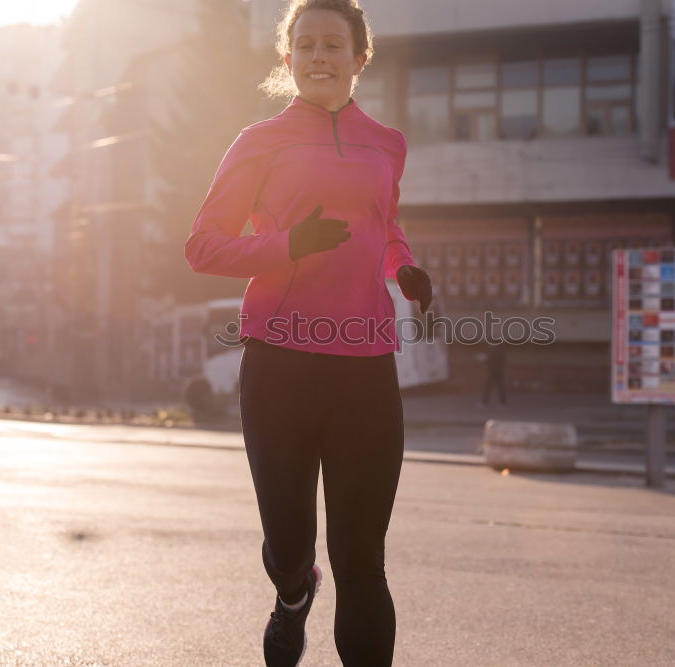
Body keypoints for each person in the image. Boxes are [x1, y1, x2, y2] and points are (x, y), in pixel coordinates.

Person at [184, 1, 431, 665]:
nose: (320, 56)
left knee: (363, 561)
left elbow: (384, 228)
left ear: (360, 58)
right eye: (307, 45)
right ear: (287, 58)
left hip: (366, 368)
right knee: (292, 546)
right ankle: (293, 593)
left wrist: (404, 269)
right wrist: (288, 245)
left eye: (333, 45)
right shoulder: (260, 141)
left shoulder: (389, 143)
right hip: (281, 364)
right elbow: (203, 247)